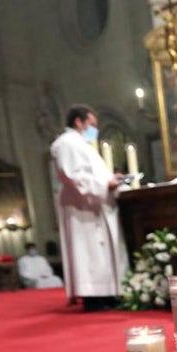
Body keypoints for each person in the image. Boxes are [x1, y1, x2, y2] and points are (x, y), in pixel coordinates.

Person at [50, 104, 128, 311]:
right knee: (90, 253)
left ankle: (108, 294)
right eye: (92, 124)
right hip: (82, 209)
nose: (95, 129)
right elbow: (72, 175)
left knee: (99, 252)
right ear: (78, 121)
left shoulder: (81, 144)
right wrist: (105, 185)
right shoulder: (66, 143)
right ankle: (94, 297)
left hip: (95, 205)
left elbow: (91, 173)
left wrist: (111, 178)